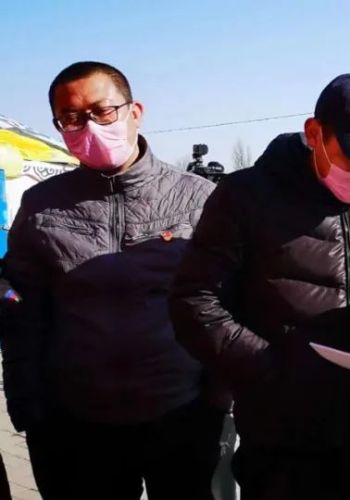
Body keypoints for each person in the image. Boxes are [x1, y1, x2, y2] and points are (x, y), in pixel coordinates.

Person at [169, 73, 350, 500]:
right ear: (314, 134)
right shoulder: (245, 197)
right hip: (282, 429)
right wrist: (267, 367)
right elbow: (194, 301)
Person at [0, 61, 225, 500]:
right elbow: (23, 314)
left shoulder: (199, 199)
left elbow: (229, 301)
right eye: (70, 117)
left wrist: (221, 399)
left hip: (183, 413)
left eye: (102, 111)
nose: (88, 126)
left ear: (134, 111)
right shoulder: (42, 205)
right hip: (77, 422)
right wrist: (28, 407)